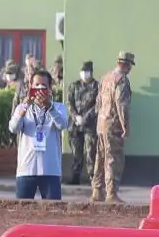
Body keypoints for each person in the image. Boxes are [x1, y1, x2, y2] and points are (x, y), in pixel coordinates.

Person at [9, 70, 69, 200]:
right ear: (30, 87)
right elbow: (13, 128)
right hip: (26, 169)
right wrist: (24, 108)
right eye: (36, 85)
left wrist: (49, 107)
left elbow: (62, 125)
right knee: (23, 210)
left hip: (50, 169)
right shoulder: (22, 107)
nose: (40, 89)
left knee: (53, 212)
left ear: (50, 89)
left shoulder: (58, 108)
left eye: (43, 86)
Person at [92, 51, 134, 204]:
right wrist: (125, 126)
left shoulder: (105, 77)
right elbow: (121, 104)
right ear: (126, 65)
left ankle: (97, 190)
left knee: (100, 156)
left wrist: (100, 119)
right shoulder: (121, 80)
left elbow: (98, 103)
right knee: (113, 158)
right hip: (113, 125)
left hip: (101, 124)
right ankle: (111, 193)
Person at [65, 61, 98, 185]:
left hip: (90, 125)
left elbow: (97, 105)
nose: (84, 74)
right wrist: (75, 116)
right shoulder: (74, 86)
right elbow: (69, 103)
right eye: (83, 71)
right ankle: (75, 177)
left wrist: (85, 117)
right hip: (75, 125)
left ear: (91, 72)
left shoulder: (96, 86)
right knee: (76, 151)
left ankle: (93, 178)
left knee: (91, 152)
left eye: (87, 71)